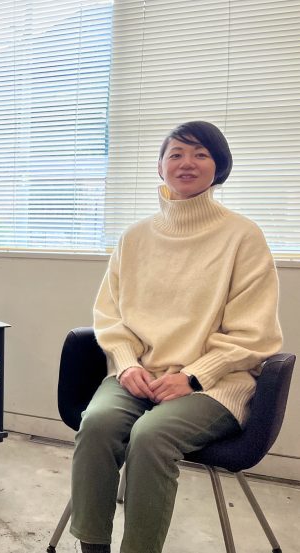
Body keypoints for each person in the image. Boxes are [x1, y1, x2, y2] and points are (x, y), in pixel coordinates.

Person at [69, 121, 282, 553]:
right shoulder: (134, 238)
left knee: (152, 436)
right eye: (176, 154)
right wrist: (126, 363)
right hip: (140, 375)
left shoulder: (243, 236)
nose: (187, 163)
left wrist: (194, 376)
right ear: (160, 166)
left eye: (201, 154)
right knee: (97, 424)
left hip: (214, 385)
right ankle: (92, 547)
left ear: (219, 166)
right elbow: (109, 315)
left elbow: (253, 333)